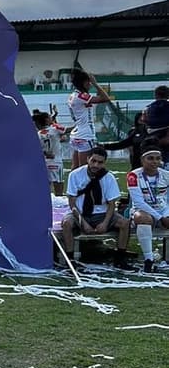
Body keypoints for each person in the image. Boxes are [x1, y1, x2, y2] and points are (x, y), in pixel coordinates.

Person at [59, 145, 132, 268]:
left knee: (124, 223)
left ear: (104, 163)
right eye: (93, 161)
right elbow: (72, 202)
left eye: (100, 162)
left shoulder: (109, 177)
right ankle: (70, 259)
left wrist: (105, 222)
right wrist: (83, 222)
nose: (96, 165)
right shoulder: (75, 175)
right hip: (80, 213)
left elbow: (111, 204)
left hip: (102, 213)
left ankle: (120, 257)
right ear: (88, 159)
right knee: (66, 223)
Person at [126, 138, 169, 273]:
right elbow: (138, 202)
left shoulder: (166, 175)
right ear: (142, 160)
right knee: (143, 218)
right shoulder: (133, 176)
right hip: (143, 212)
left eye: (158, 158)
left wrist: (166, 215)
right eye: (150, 158)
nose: (155, 162)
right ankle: (148, 260)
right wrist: (160, 217)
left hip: (163, 211)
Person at [67, 68, 112, 168]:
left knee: (75, 166)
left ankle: (72, 183)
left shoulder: (73, 95)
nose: (90, 84)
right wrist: (96, 84)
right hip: (85, 135)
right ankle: (84, 184)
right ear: (83, 83)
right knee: (85, 168)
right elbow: (106, 98)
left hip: (76, 134)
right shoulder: (81, 96)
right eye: (89, 82)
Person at [32, 111, 65, 197]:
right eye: (50, 117)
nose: (51, 118)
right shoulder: (54, 129)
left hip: (45, 162)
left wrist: (45, 153)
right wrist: (79, 125)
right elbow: (66, 130)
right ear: (46, 120)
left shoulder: (38, 134)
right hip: (56, 161)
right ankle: (59, 205)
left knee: (46, 187)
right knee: (59, 186)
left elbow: (35, 149)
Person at [143, 85, 169, 165]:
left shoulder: (148, 108)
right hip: (165, 136)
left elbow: (145, 121)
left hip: (152, 139)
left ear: (155, 95)